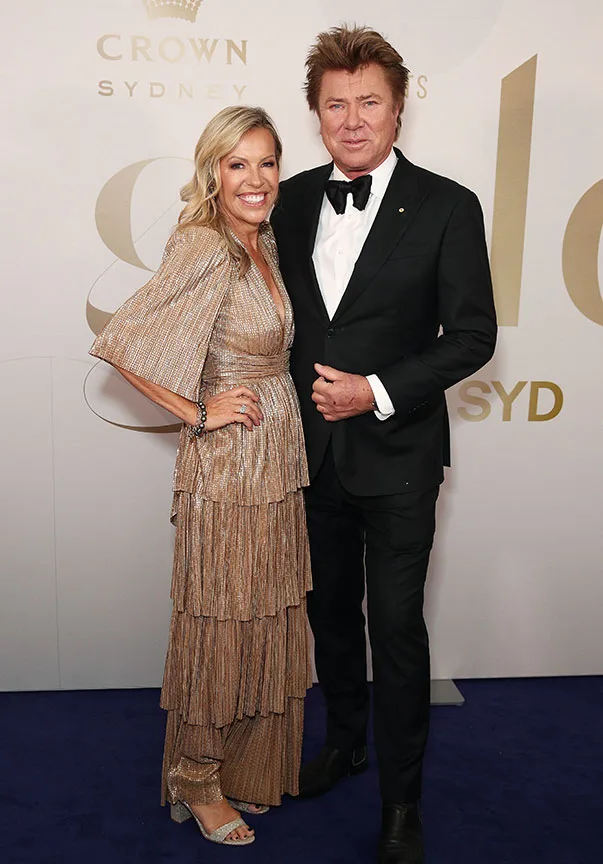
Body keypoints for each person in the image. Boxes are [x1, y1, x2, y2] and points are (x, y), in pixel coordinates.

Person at [271, 25, 497, 864]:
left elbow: (470, 334)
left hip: (396, 455)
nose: (353, 120)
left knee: (396, 627)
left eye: (369, 102)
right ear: (316, 115)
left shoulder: (447, 204)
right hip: (307, 456)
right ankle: (345, 744)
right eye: (336, 105)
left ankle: (402, 800)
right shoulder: (287, 200)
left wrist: (376, 390)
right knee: (329, 616)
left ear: (398, 109)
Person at [90, 106, 312, 848]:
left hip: (275, 460)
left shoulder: (263, 239)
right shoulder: (205, 243)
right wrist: (196, 409)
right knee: (222, 623)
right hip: (228, 469)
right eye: (236, 164)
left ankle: (236, 767)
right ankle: (195, 775)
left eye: (266, 162)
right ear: (212, 172)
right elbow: (120, 340)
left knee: (258, 619)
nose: (254, 179)